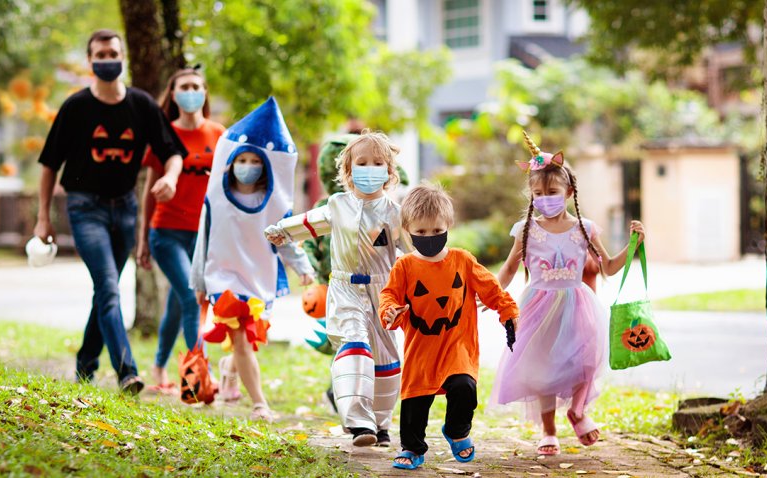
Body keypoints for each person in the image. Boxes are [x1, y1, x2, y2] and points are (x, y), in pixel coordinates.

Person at [34, 29, 186, 394]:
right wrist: (42, 217)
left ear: (123, 57)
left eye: (113, 53)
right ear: (90, 61)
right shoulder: (76, 107)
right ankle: (126, 371)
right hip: (85, 207)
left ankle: (85, 365)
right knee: (108, 287)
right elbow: (49, 164)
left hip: (126, 209)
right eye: (100, 54)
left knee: (107, 291)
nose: (107, 60)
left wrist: (172, 177)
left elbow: (173, 151)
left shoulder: (142, 104)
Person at [492, 132, 645, 455]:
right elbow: (507, 268)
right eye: (538, 193)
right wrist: (491, 293)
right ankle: (548, 432)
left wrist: (633, 246)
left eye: (552, 192)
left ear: (569, 192)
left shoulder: (585, 229)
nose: (545, 198)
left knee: (586, 362)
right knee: (543, 368)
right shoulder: (526, 230)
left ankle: (577, 411)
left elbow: (607, 268)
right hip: (538, 305)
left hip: (577, 304)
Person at [265, 131, 407, 447]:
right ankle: (358, 422)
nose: (369, 169)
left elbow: (413, 251)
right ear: (347, 171)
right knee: (353, 342)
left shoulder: (394, 212)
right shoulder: (337, 204)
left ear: (388, 171)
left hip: (383, 290)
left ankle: (381, 423)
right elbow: (311, 220)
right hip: (345, 288)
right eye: (361, 163)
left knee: (386, 358)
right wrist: (283, 232)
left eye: (377, 163)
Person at [190, 97, 314, 421]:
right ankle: (260, 403)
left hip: (259, 279)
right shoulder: (217, 198)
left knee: (248, 341)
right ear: (229, 162)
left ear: (265, 165)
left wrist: (302, 267)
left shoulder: (272, 203)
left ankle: (229, 372)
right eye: (241, 159)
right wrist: (199, 281)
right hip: (223, 278)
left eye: (254, 160)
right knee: (242, 340)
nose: (247, 166)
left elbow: (283, 239)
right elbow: (205, 239)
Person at [379, 184, 519, 470]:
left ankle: (457, 431)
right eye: (421, 233)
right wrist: (390, 311)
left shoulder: (462, 261)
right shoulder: (405, 267)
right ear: (407, 230)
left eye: (436, 231)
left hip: (458, 345)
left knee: (464, 386)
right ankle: (412, 447)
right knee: (415, 402)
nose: (429, 238)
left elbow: (492, 289)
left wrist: (507, 312)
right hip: (421, 348)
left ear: (448, 225)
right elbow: (389, 296)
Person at [135, 67, 226, 392]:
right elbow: (149, 190)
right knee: (191, 298)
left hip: (203, 235)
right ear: (173, 94)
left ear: (204, 92)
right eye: (183, 86)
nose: (190, 91)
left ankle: (159, 367)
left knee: (177, 304)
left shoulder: (219, 135)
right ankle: (201, 373)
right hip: (166, 232)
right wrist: (143, 238)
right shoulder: (164, 134)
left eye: (196, 86)